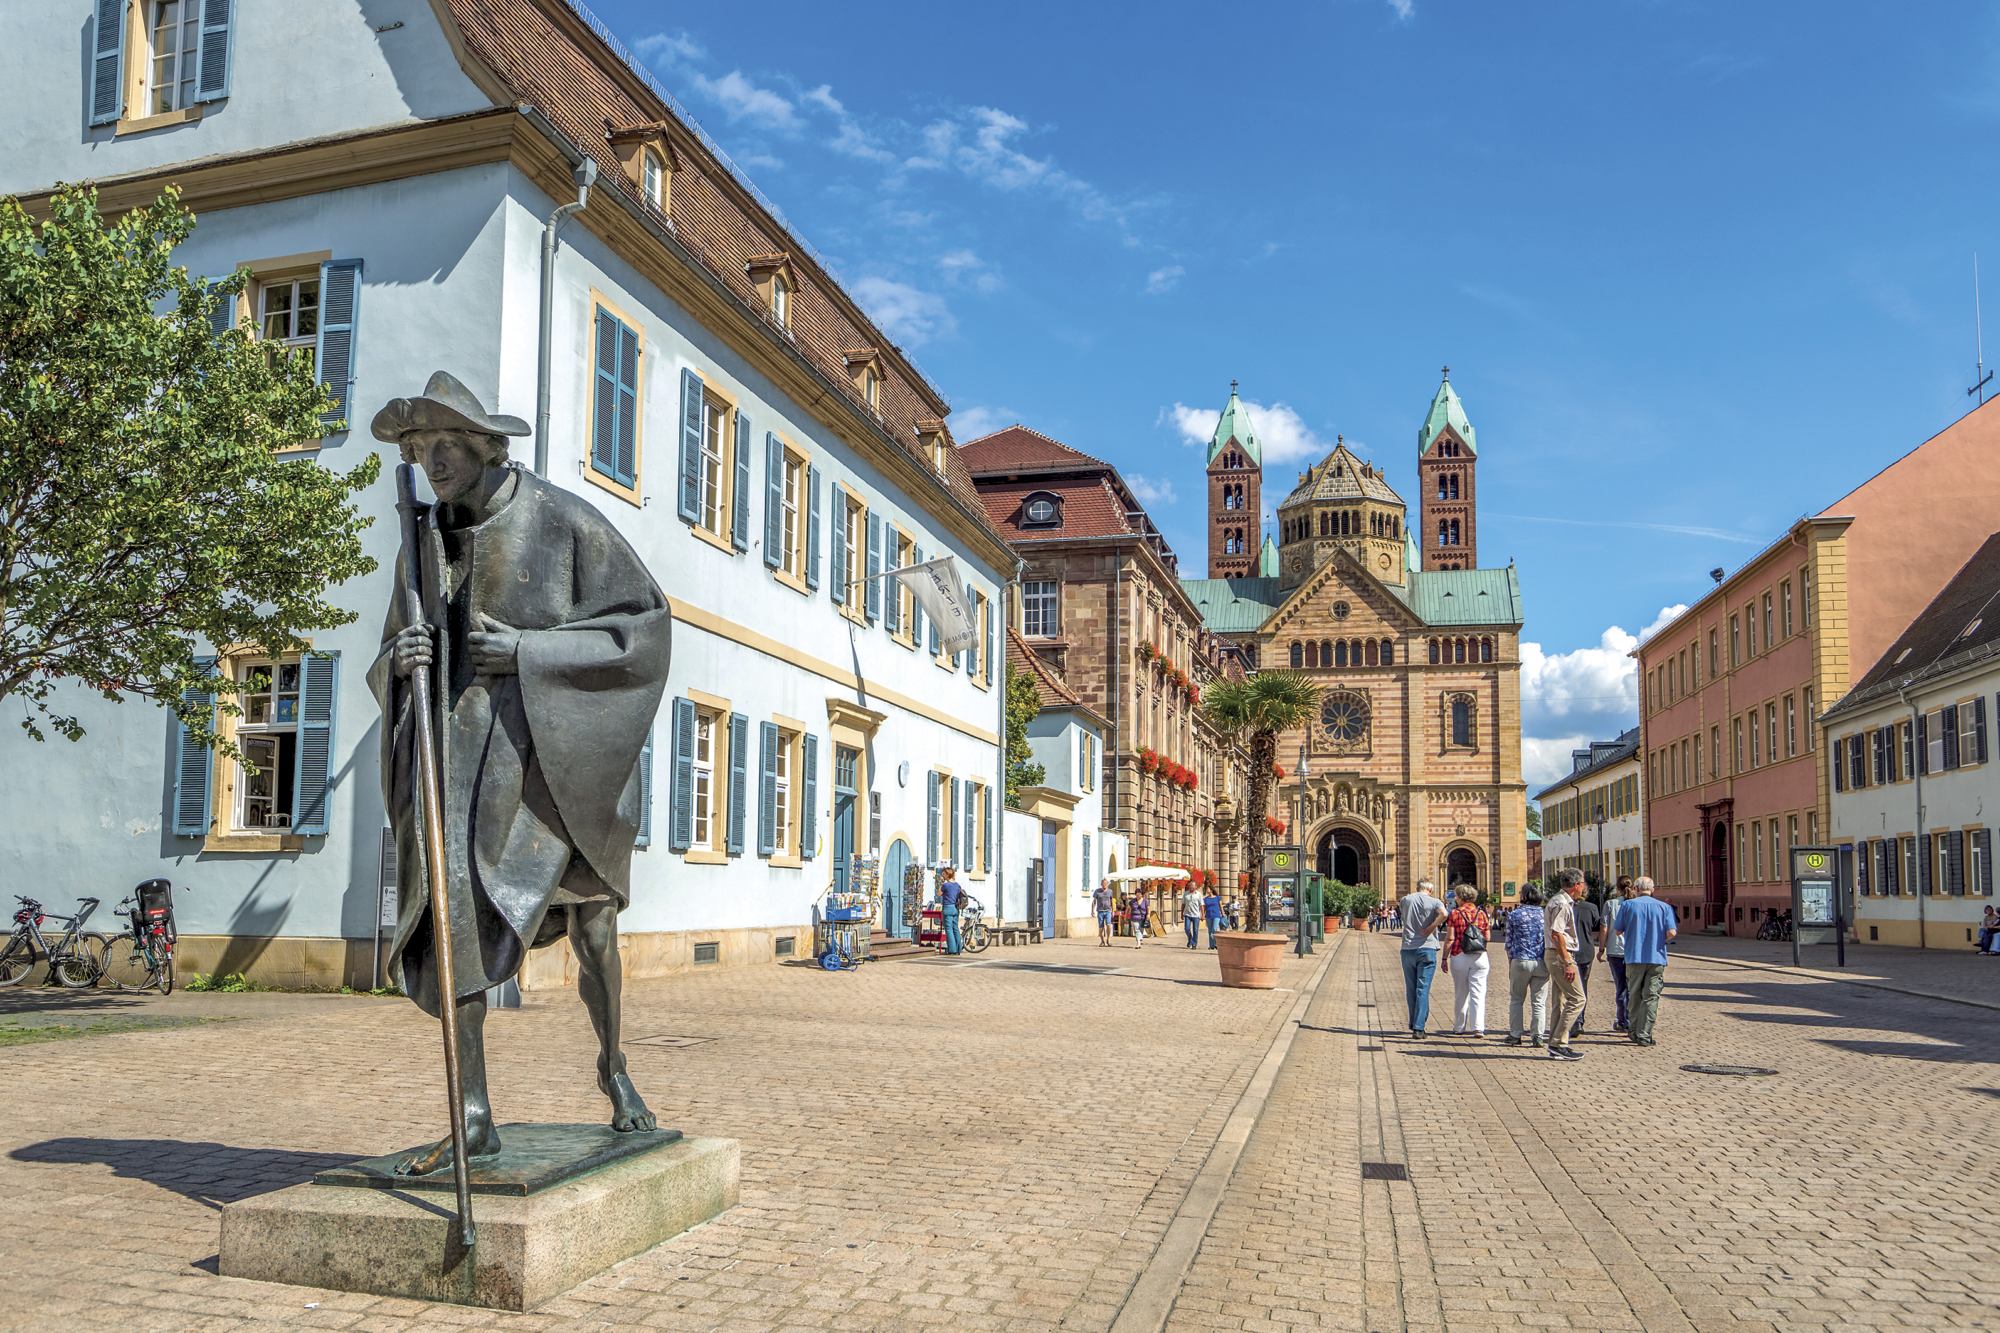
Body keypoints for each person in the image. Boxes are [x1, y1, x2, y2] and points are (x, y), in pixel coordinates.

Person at [369, 372, 672, 1173]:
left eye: (446, 445)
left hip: (560, 768)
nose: (433, 462)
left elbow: (643, 631)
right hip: (463, 763)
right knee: (451, 917)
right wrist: (398, 659)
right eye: (420, 449)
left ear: (485, 447)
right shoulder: (421, 537)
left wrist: (531, 651)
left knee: (594, 926)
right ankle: (473, 1110)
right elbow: (396, 642)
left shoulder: (563, 520)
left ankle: (614, 1064)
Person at [1619, 876, 1677, 1046]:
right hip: (1656, 957)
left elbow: (1617, 931)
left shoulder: (1627, 906)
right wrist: (1660, 940)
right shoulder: (1664, 907)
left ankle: (1633, 1030)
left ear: (1636, 889)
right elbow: (1672, 932)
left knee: (1634, 994)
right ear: (1652, 890)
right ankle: (1644, 1034)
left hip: (1634, 957)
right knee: (1651, 996)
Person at [1543, 869, 1588, 1061]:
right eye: (1583, 884)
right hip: (1560, 955)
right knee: (1578, 998)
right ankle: (1558, 1043)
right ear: (1576, 885)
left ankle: (1557, 1043)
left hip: (1554, 954)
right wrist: (1568, 961)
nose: (1584, 887)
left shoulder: (1557, 900)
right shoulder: (1562, 903)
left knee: (1560, 1001)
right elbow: (1557, 933)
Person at [1399, 879, 1447, 1039]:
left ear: (1417, 888)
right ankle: (1419, 1028)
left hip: (1407, 949)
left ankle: (1414, 1022)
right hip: (1427, 948)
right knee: (1423, 988)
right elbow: (1444, 914)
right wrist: (1431, 927)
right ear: (1430, 890)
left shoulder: (1405, 900)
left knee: (1411, 988)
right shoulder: (1434, 901)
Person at [1503, 884, 1549, 1046]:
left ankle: (1515, 1034)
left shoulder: (1515, 915)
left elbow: (1509, 942)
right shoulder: (1545, 915)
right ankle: (1538, 1035)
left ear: (1523, 896)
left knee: (1516, 999)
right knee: (1539, 1002)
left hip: (1520, 959)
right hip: (1541, 961)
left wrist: (1510, 962)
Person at [1445, 888, 1491, 1037]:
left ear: (1460, 897)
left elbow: (1450, 938)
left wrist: (1444, 958)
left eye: (1456, 896)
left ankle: (1459, 1027)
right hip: (1479, 956)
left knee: (1461, 993)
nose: (1455, 898)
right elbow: (1488, 937)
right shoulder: (1482, 913)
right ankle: (1478, 1027)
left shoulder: (1455, 913)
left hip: (1459, 955)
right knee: (1478, 993)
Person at [1566, 882, 1604, 1039]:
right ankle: (1579, 1021)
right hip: (1586, 951)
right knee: (1583, 987)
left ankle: (1570, 1022)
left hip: (1568, 951)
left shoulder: (1566, 906)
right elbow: (1597, 927)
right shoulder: (1591, 908)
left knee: (1568, 988)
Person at [1604, 877, 1635, 1032]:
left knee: (1621, 987)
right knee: (1632, 987)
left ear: (1617, 888)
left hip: (1615, 950)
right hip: (1633, 951)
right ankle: (1631, 1019)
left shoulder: (1610, 904)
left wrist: (1601, 948)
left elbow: (1604, 928)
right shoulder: (1635, 904)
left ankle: (1622, 1020)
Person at [939, 864, 964, 955]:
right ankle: (959, 948)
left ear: (947, 875)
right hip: (955, 908)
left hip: (948, 907)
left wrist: (941, 883)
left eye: (943, 874)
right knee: (955, 929)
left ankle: (952, 950)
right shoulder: (957, 885)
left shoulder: (946, 885)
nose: (942, 876)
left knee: (949, 929)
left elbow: (939, 893)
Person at [1180, 882, 1203, 949]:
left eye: (1192, 886)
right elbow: (1183, 904)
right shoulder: (1185, 894)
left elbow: (1201, 905)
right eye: (1190, 886)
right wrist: (1181, 914)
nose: (1191, 887)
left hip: (1196, 915)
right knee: (1187, 929)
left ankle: (1194, 943)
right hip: (1187, 914)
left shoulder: (1198, 894)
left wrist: (1203, 915)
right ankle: (1190, 939)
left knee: (1195, 930)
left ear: (1195, 887)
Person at [1093, 879, 1114, 948]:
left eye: (1105, 884)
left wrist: (1113, 911)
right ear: (1101, 884)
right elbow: (1094, 901)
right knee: (1101, 928)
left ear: (1107, 884)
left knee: (1108, 925)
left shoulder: (1110, 891)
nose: (1104, 885)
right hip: (1100, 911)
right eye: (1103, 884)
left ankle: (1108, 940)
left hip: (1108, 911)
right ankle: (1102, 941)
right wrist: (1092, 910)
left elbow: (1111, 901)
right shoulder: (1097, 891)